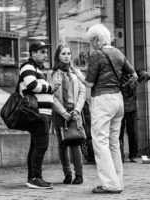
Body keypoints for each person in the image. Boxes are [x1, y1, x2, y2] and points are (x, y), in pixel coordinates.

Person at [74, 24, 138, 193]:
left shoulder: (97, 54)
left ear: (96, 39)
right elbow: (134, 75)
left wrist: (77, 73)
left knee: (100, 142)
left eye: (90, 41)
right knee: (114, 143)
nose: (90, 45)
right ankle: (118, 182)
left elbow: (89, 83)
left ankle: (110, 184)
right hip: (118, 100)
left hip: (102, 101)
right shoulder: (118, 52)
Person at [20, 41, 60, 189]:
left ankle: (32, 177)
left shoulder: (37, 69)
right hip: (38, 113)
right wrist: (50, 87)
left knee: (36, 145)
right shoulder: (28, 67)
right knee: (41, 145)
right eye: (42, 52)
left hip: (43, 113)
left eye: (46, 52)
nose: (45, 55)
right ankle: (36, 177)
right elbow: (32, 85)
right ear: (33, 54)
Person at [48, 44, 86, 184]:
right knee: (63, 143)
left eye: (68, 53)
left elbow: (83, 92)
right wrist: (63, 112)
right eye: (63, 53)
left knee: (75, 142)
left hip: (75, 113)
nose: (66, 56)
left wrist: (77, 110)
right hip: (60, 113)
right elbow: (51, 96)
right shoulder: (51, 74)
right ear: (58, 56)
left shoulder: (76, 73)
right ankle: (67, 174)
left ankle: (79, 175)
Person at [119, 71, 150, 163]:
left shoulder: (135, 75)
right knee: (119, 132)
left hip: (131, 107)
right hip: (121, 106)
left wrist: (145, 76)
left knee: (132, 132)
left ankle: (132, 155)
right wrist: (129, 82)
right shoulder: (122, 76)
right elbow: (121, 87)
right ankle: (119, 154)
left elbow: (144, 75)